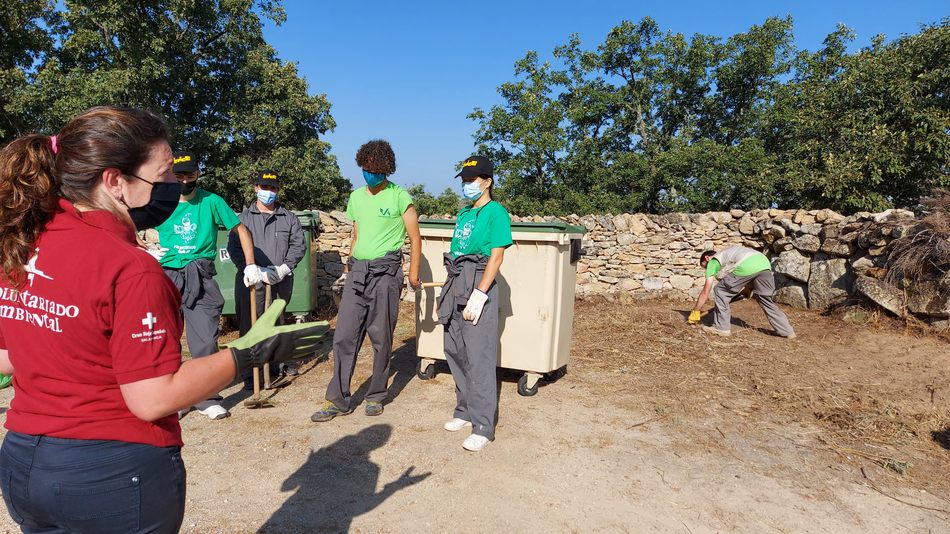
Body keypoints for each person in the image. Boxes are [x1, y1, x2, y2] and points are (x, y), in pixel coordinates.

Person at [0, 106, 325, 533]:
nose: (174, 185)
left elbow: (8, 357)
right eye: (166, 173)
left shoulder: (23, 245)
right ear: (116, 182)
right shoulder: (131, 268)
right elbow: (151, 398)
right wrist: (248, 354)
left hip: (24, 462)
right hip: (110, 473)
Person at [311, 139, 421, 422]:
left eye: (375, 169)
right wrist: (348, 266)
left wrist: (413, 272)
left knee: (381, 337)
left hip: (386, 272)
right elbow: (356, 233)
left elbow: (415, 237)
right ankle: (337, 399)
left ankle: (376, 395)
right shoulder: (356, 196)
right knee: (344, 334)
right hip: (358, 271)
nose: (369, 173)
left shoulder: (399, 197)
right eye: (365, 168)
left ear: (386, 169)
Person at [154, 151, 261, 420]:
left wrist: (250, 264)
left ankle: (205, 397)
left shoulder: (211, 201)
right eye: (179, 175)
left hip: (200, 275)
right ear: (170, 176)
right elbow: (127, 221)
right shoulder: (159, 201)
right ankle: (177, 397)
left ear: (198, 174)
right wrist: (142, 248)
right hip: (166, 275)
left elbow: (241, 229)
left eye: (189, 174)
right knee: (166, 338)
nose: (185, 180)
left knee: (204, 340)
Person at [438, 155, 512, 452]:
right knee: (454, 349)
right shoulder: (464, 214)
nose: (467, 185)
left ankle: (483, 425)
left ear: (487, 181)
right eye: (465, 180)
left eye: (472, 180)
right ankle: (464, 411)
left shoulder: (497, 212)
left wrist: (480, 295)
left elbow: (496, 255)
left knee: (479, 357)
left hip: (478, 282)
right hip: (457, 281)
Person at [228, 170, 307, 389]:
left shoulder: (288, 217)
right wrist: (249, 268)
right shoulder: (243, 219)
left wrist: (284, 268)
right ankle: (249, 374)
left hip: (279, 280)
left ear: (278, 190)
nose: (268, 192)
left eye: (272, 188)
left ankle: (271, 370)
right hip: (250, 281)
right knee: (249, 325)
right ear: (256, 188)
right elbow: (233, 247)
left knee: (275, 322)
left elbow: (299, 245)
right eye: (264, 188)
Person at [691, 246, 797, 339]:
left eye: (705, 266)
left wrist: (696, 311)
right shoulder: (729, 254)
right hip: (764, 263)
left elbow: (706, 292)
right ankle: (787, 331)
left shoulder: (713, 261)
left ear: (707, 258)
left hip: (747, 265)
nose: (707, 270)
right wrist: (748, 288)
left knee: (720, 291)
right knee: (764, 299)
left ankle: (721, 328)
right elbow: (745, 275)